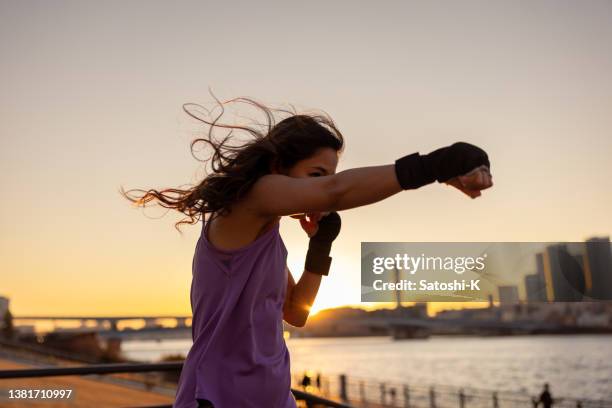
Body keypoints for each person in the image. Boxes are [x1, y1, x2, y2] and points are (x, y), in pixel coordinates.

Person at [122, 97, 493, 408]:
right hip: (219, 398)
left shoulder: (268, 234)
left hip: (273, 397)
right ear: (278, 167)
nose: (322, 187)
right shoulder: (249, 200)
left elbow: (296, 312)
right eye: (316, 175)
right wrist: (436, 164)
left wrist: (321, 245)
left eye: (328, 175)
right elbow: (335, 192)